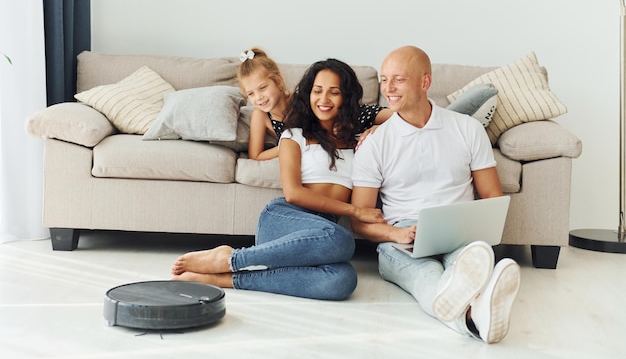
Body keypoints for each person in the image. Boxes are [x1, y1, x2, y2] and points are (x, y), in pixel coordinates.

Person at [171, 58, 385, 300]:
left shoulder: (360, 143)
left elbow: (403, 116)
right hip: (285, 217)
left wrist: (377, 129)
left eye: (333, 92)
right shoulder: (294, 134)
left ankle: (224, 279)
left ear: (345, 97)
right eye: (317, 91)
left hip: (322, 232)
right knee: (342, 241)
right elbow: (293, 193)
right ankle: (233, 259)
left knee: (343, 280)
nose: (323, 99)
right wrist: (355, 211)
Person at [349, 46, 521, 343]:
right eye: (384, 79)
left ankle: (473, 316)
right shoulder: (375, 144)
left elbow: (491, 195)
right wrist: (394, 234)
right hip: (402, 235)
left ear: (424, 82)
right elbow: (358, 220)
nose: (388, 89)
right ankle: (476, 314)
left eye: (398, 79)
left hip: (460, 230)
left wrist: (481, 230)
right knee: (425, 276)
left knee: (469, 264)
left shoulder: (467, 129)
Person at [237, 47, 392, 160]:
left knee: (391, 119)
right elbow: (255, 155)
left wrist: (378, 129)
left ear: (278, 81)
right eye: (251, 93)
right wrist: (289, 145)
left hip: (348, 123)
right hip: (339, 143)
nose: (258, 97)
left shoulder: (302, 101)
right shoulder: (261, 115)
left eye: (263, 88)